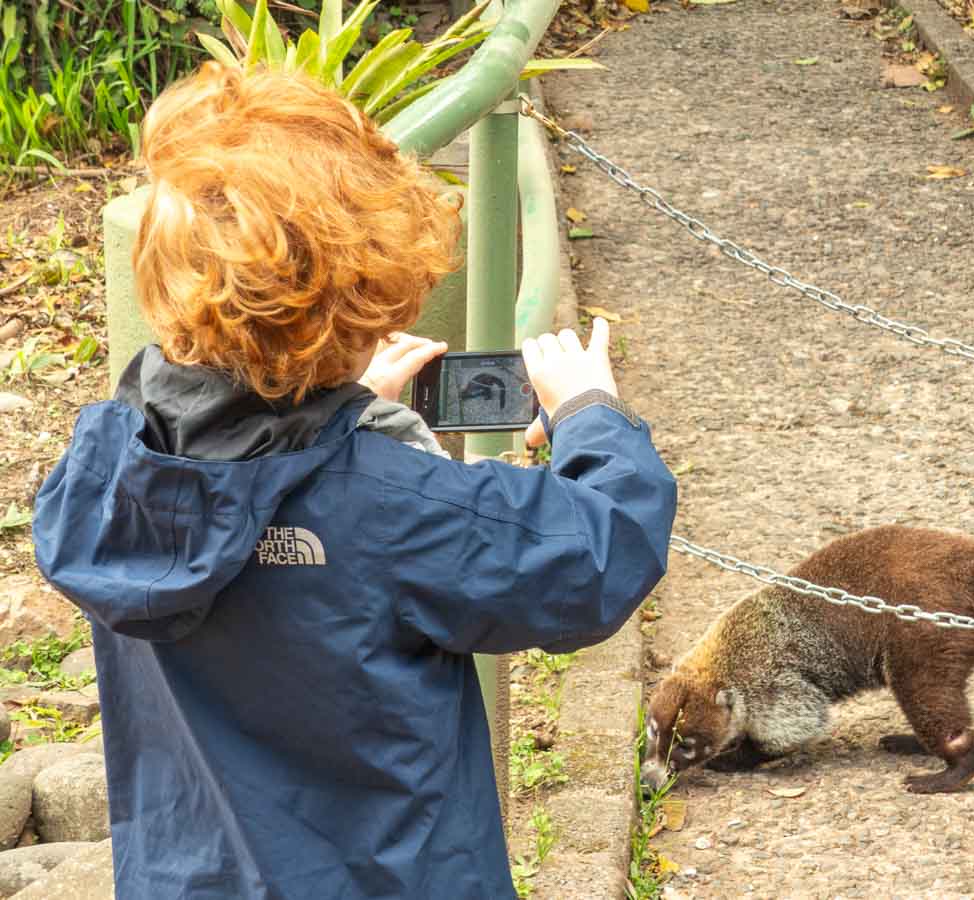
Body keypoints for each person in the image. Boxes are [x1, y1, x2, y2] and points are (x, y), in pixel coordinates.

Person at [32, 63, 676, 899]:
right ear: (362, 299)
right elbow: (600, 554)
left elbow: (241, 488)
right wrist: (589, 414)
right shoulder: (392, 504)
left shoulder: (102, 471)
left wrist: (330, 414)